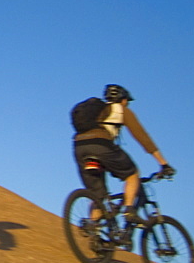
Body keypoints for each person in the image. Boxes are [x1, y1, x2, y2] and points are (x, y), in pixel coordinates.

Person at [73, 84, 175, 232]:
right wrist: (163, 164)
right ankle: (129, 211)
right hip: (101, 145)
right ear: (122, 99)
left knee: (98, 196)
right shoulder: (121, 110)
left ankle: (93, 231)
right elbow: (142, 137)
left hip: (79, 147)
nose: (127, 103)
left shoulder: (96, 113)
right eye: (127, 100)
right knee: (132, 174)